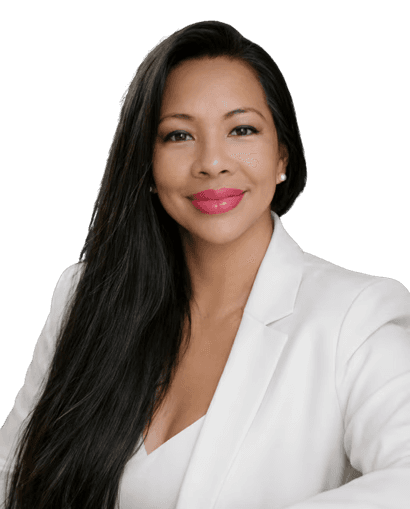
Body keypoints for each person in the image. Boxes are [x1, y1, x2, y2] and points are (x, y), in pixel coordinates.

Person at [1, 19, 409, 509]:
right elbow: (11, 474)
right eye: (178, 135)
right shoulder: (84, 298)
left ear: (282, 155)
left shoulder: (355, 317)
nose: (212, 162)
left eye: (242, 129)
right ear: (146, 165)